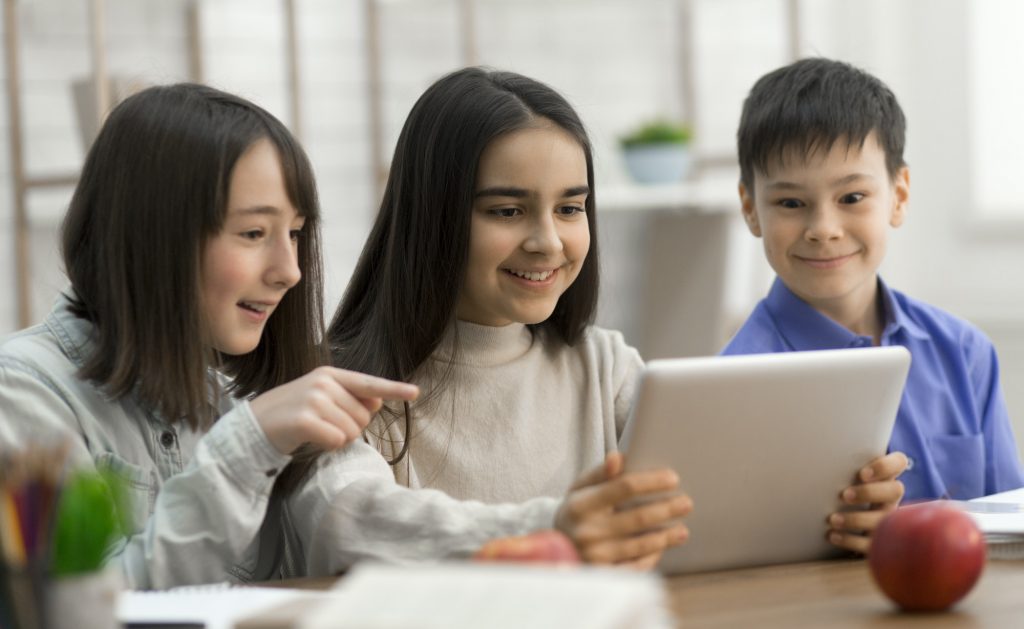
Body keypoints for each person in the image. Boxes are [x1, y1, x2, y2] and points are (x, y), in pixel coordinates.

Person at [274, 67, 692, 574]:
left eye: (569, 208)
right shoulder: (336, 387)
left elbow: (711, 484)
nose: (549, 242)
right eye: (508, 211)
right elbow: (348, 521)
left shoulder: (605, 367)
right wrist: (551, 534)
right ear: (433, 217)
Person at [0, 84, 418, 589]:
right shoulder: (22, 392)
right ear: (152, 236)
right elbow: (80, 605)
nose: (291, 271)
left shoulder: (238, 397)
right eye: (253, 234)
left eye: (294, 233)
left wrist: (527, 528)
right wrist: (247, 447)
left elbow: (374, 516)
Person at [723, 58, 1024, 546]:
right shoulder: (735, 383)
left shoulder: (965, 353)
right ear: (750, 208)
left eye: (852, 197)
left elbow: (1011, 526)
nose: (824, 228)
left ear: (898, 195)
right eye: (791, 203)